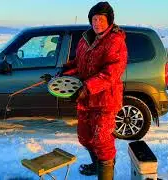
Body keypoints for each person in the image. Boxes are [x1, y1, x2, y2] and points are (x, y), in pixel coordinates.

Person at [62, 1, 127, 179]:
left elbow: (111, 73)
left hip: (105, 100)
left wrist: (87, 87)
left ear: (110, 20)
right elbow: (79, 63)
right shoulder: (86, 39)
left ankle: (105, 172)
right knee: (85, 137)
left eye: (101, 19)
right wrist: (65, 70)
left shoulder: (115, 41)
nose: (97, 22)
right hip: (86, 100)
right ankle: (96, 165)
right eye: (94, 18)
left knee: (102, 141)